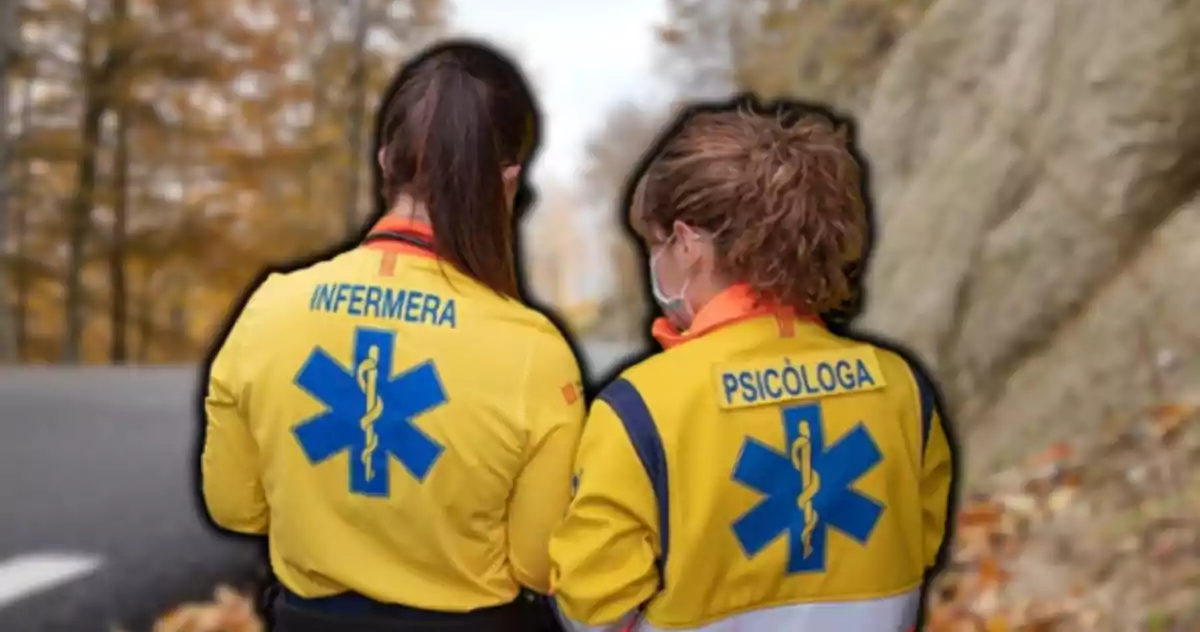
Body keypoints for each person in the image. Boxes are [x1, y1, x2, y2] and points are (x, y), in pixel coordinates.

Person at [199, 39, 586, 632]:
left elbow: (234, 507)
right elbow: (538, 565)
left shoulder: (270, 306)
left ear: (385, 161)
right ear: (507, 181)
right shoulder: (533, 348)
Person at [549, 95, 955, 632]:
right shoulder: (901, 390)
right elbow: (922, 545)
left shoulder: (641, 410)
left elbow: (592, 607)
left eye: (656, 242)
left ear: (689, 243)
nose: (655, 259)